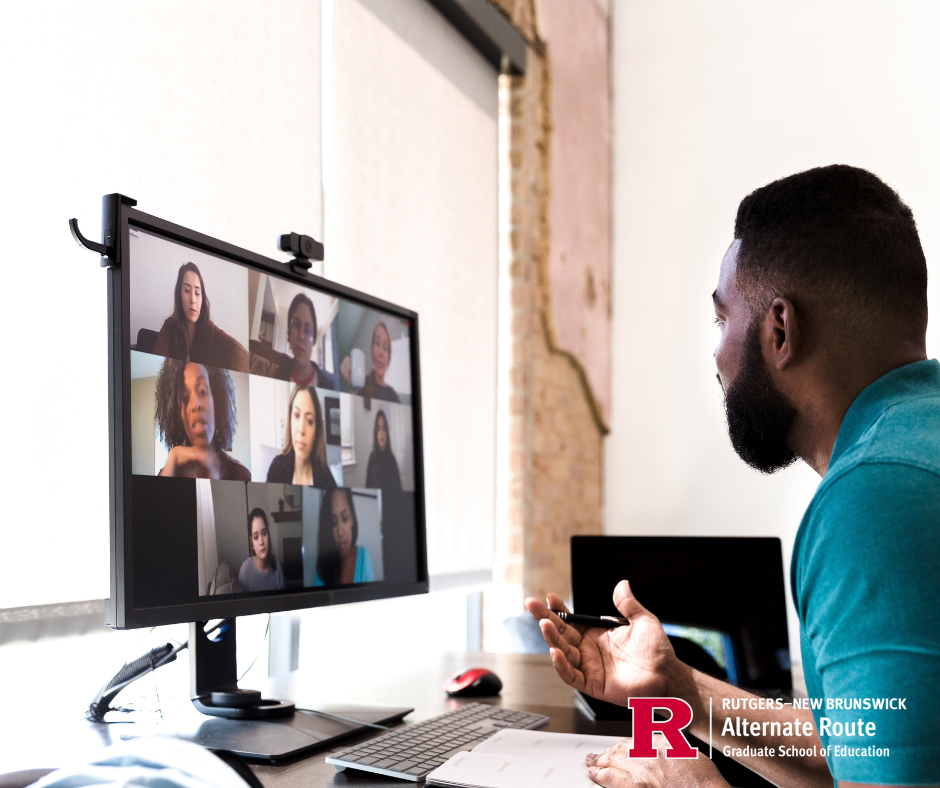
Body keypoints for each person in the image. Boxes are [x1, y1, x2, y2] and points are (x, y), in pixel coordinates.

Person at [527, 166, 940, 787]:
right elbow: (865, 750)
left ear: (779, 330)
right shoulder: (915, 449)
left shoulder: (872, 500)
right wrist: (681, 690)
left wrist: (694, 784)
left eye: (724, 321)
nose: (717, 357)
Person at [155, 359, 250, 481]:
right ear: (177, 416)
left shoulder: (242, 476)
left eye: (203, 391)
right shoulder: (169, 472)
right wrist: (173, 458)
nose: (196, 405)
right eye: (185, 398)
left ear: (216, 400)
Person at [151, 262, 249, 373]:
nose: (193, 299)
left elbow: (241, 351)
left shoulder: (211, 330)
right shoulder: (169, 326)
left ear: (202, 299)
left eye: (197, 293)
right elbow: (156, 365)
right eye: (187, 291)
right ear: (179, 295)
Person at [249, 292, 336, 388]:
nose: (301, 336)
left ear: (314, 340)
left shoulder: (328, 385)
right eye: (297, 325)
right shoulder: (277, 375)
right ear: (289, 333)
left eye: (307, 330)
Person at [266, 385, 336, 488]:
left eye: (309, 421)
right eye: (296, 415)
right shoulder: (277, 467)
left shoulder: (327, 479)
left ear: (316, 432)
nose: (301, 429)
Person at [314, 488, 375, 586]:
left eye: (345, 518)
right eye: (333, 523)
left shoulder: (364, 556)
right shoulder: (322, 569)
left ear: (352, 519)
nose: (340, 532)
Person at [341, 321, 400, 402]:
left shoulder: (393, 396)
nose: (381, 353)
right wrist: (352, 388)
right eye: (377, 343)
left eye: (385, 348)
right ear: (372, 350)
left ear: (388, 359)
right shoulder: (362, 384)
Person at [238, 508, 285, 592]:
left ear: (269, 535)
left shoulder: (277, 565)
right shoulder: (245, 570)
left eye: (264, 534)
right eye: (256, 537)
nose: (261, 542)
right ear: (252, 543)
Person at [364, 409, 402, 492]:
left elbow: (398, 488)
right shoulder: (372, 457)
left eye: (383, 429)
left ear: (387, 433)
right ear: (375, 433)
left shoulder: (391, 458)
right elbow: (367, 485)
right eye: (378, 429)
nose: (381, 433)